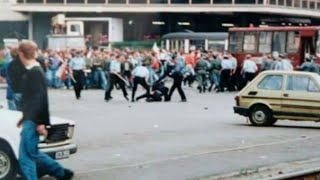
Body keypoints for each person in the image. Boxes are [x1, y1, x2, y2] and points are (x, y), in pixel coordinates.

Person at [16, 41, 74, 180]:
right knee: (29, 154)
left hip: (33, 120)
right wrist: (24, 116)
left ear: (20, 54)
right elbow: (33, 100)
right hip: (31, 118)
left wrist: (41, 123)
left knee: (28, 156)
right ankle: (61, 172)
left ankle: (60, 172)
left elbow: (41, 99)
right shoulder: (34, 70)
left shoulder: (35, 72)